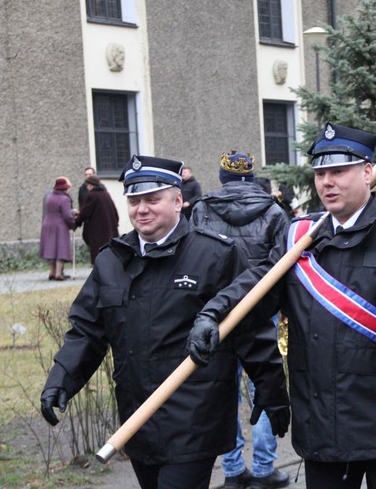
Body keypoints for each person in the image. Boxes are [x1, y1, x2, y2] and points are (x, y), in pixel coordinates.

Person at [188, 123, 376, 489]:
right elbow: (255, 288)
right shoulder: (299, 238)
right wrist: (213, 313)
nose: (327, 182)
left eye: (339, 172)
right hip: (322, 427)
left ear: (366, 172)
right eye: (320, 173)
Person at [39, 155, 290, 489]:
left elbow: (251, 329)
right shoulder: (112, 260)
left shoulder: (214, 255)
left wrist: (272, 391)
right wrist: (62, 378)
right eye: (134, 200)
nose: (142, 209)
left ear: (178, 201)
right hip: (138, 415)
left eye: (152, 199)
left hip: (195, 417)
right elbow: (87, 330)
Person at [191, 152, 290, 489]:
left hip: (214, 314)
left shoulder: (202, 209)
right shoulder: (274, 211)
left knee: (223, 391)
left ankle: (233, 470)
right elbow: (282, 267)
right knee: (264, 384)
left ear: (221, 178)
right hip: (260, 313)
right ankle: (264, 468)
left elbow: (194, 260)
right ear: (251, 177)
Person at [74, 174, 119, 263]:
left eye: (87, 185)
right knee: (109, 254)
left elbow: (85, 212)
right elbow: (115, 212)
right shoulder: (105, 194)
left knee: (99, 255)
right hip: (110, 230)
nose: (86, 187)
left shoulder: (92, 195)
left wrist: (76, 223)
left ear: (91, 185)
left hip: (97, 231)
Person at [39, 177, 76, 281]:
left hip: (47, 223)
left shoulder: (49, 197)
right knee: (61, 248)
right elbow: (67, 215)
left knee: (50, 248)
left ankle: (52, 272)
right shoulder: (65, 199)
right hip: (59, 225)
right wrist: (73, 223)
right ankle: (58, 273)